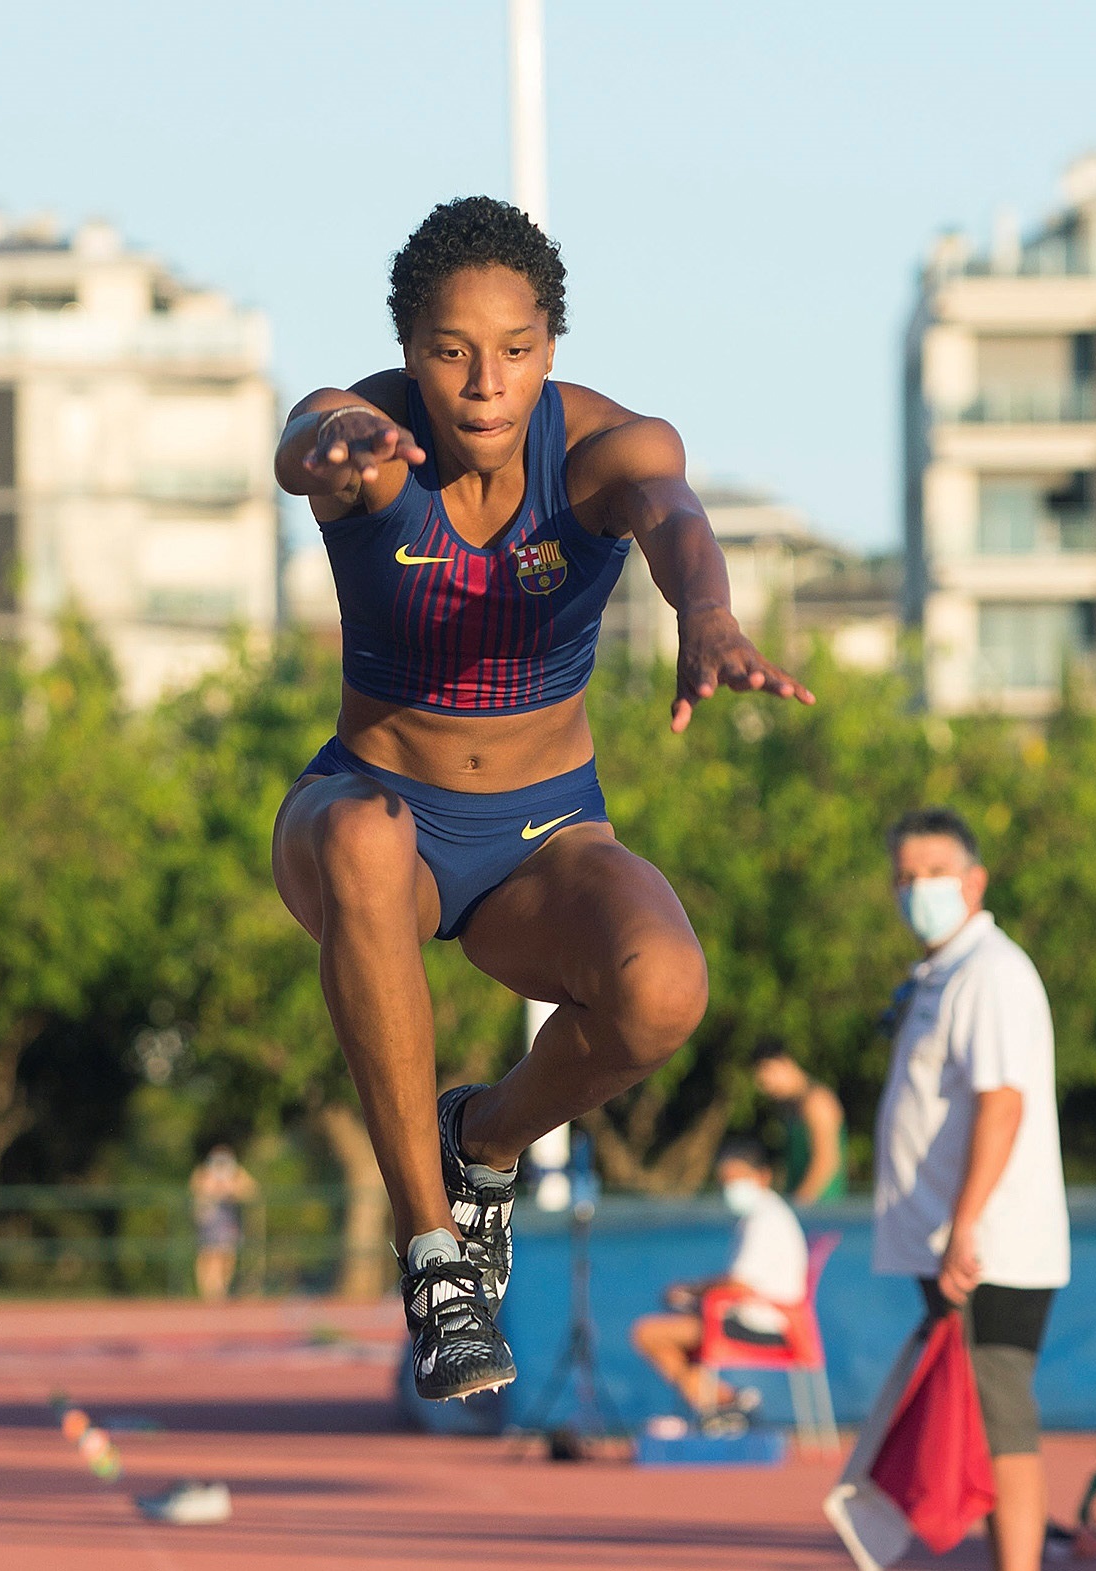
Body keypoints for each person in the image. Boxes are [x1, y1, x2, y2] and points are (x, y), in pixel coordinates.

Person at [271, 197, 813, 1400]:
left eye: (514, 351)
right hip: (371, 817)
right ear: (410, 350)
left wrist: (708, 616)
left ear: (551, 348)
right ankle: (430, 1257)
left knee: (665, 991)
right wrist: (329, 455)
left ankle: (487, 1142)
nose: (482, 384)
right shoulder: (365, 437)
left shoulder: (603, 451)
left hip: (541, 840)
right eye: (451, 352)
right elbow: (303, 440)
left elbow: (671, 514)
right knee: (364, 836)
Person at [872, 807, 1069, 1571]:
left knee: (999, 1414)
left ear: (974, 880)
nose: (917, 890)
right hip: (954, 1240)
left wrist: (966, 1225)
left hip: (991, 1245)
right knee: (972, 1423)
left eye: (934, 875)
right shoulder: (941, 972)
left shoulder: (992, 972)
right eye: (906, 877)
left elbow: (1003, 1101)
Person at [630, 1140, 810, 1422]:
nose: (732, 1188)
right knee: (668, 1338)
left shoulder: (765, 1219)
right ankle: (726, 1405)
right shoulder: (759, 1216)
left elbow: (740, 1284)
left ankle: (725, 1403)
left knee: (648, 1334)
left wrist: (692, 1290)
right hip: (753, 1314)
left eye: (739, 1179)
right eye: (726, 1182)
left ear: (763, 1176)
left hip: (766, 1322)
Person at [752, 1040, 846, 1204]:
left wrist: (798, 1206)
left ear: (784, 1063)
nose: (766, 1088)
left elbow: (827, 1162)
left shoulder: (817, 1102)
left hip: (821, 1214)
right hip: (805, 1209)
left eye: (766, 1078)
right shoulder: (790, 1107)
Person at [189, 1145, 258, 1304]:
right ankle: (212, 1296)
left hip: (228, 1222)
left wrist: (233, 1185)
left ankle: (219, 1293)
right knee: (210, 1257)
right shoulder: (203, 1173)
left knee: (227, 1257)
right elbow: (198, 1189)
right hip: (210, 1221)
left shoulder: (236, 1174)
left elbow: (251, 1191)